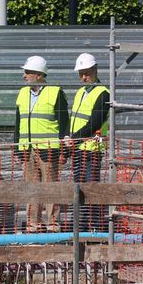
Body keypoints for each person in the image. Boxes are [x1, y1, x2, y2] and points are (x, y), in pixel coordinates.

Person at [14, 55, 69, 233]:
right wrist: (17, 147)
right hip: (27, 149)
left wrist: (63, 149)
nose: (24, 76)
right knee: (31, 189)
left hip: (49, 149)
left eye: (28, 72)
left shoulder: (55, 92)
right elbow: (18, 122)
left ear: (39, 75)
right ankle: (33, 225)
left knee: (50, 188)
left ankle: (53, 225)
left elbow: (63, 122)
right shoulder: (22, 93)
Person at [68, 52, 110, 233]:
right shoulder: (80, 93)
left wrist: (74, 138)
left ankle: (95, 228)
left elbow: (95, 122)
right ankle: (82, 226)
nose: (83, 77)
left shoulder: (103, 93)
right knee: (80, 189)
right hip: (78, 148)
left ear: (95, 70)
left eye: (86, 73)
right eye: (80, 73)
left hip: (91, 149)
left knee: (91, 189)